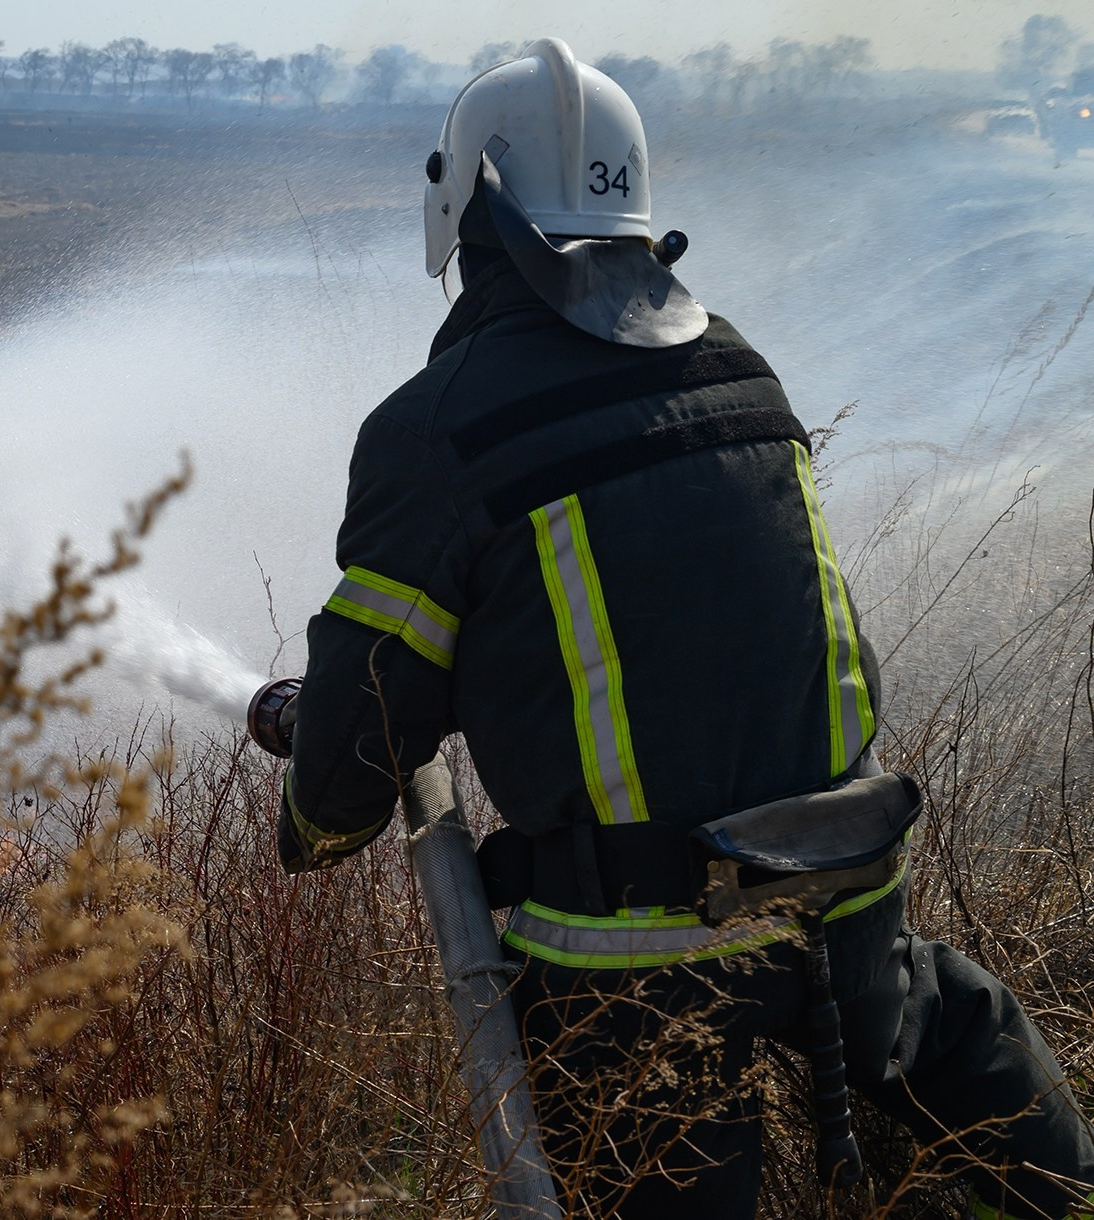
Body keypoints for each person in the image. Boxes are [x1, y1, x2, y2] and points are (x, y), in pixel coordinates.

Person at [267, 39, 1094, 1220]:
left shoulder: (434, 428)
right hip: (845, 896)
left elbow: (359, 740)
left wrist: (308, 807)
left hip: (635, 962)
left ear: (468, 209)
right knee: (998, 1115)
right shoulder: (736, 363)